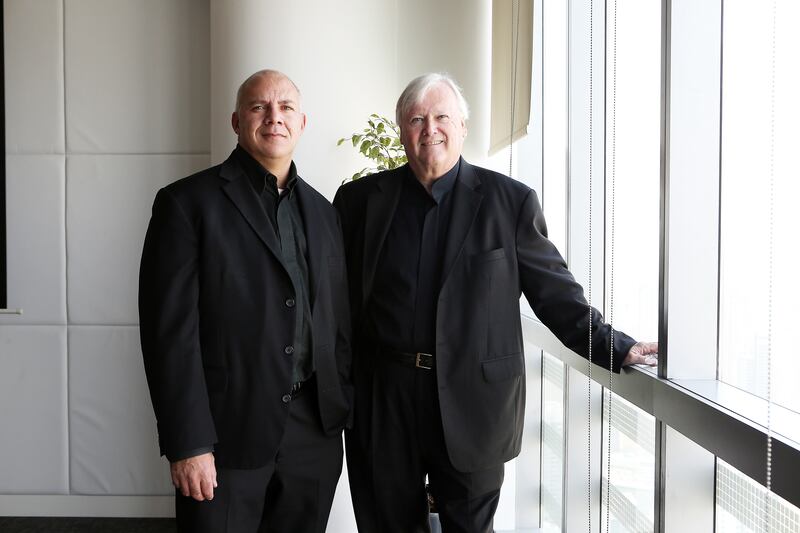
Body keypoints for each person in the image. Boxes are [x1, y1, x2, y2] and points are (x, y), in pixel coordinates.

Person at [333, 73, 658, 533]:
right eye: (417, 119)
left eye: (442, 117)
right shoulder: (358, 202)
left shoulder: (510, 202)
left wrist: (614, 345)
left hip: (475, 404)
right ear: (402, 130)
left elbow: (555, 293)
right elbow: (332, 306)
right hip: (382, 403)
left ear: (462, 127)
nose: (431, 129)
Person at [139, 69, 352, 533]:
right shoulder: (185, 204)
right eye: (259, 107)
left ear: (302, 123)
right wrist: (188, 443)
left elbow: (336, 323)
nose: (274, 117)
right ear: (236, 122)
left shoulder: (324, 212)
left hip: (313, 434)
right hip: (223, 436)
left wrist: (340, 407)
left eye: (286, 108)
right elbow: (169, 336)